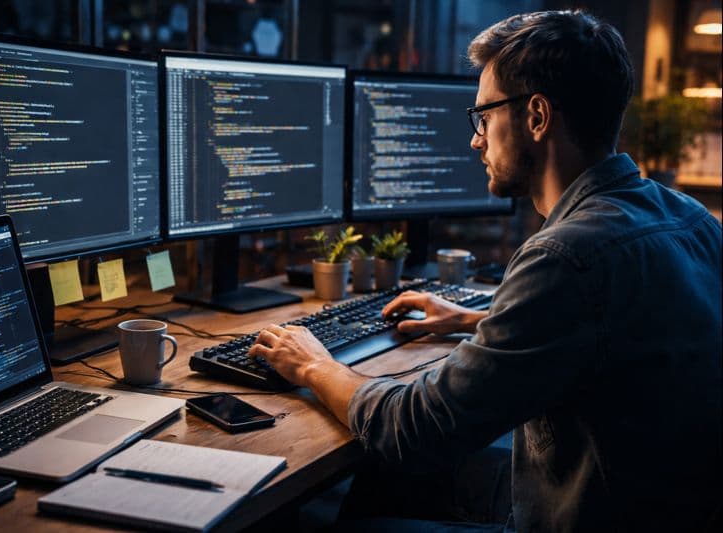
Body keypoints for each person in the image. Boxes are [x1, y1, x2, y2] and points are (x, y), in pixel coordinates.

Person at [248, 10, 722, 532]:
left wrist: (312, 363)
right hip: (651, 506)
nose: (476, 140)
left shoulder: (565, 256)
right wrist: (476, 320)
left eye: (485, 117)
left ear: (537, 117)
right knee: (380, 482)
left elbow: (416, 430)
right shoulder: (690, 219)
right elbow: (622, 334)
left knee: (344, 507)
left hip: (580, 513)